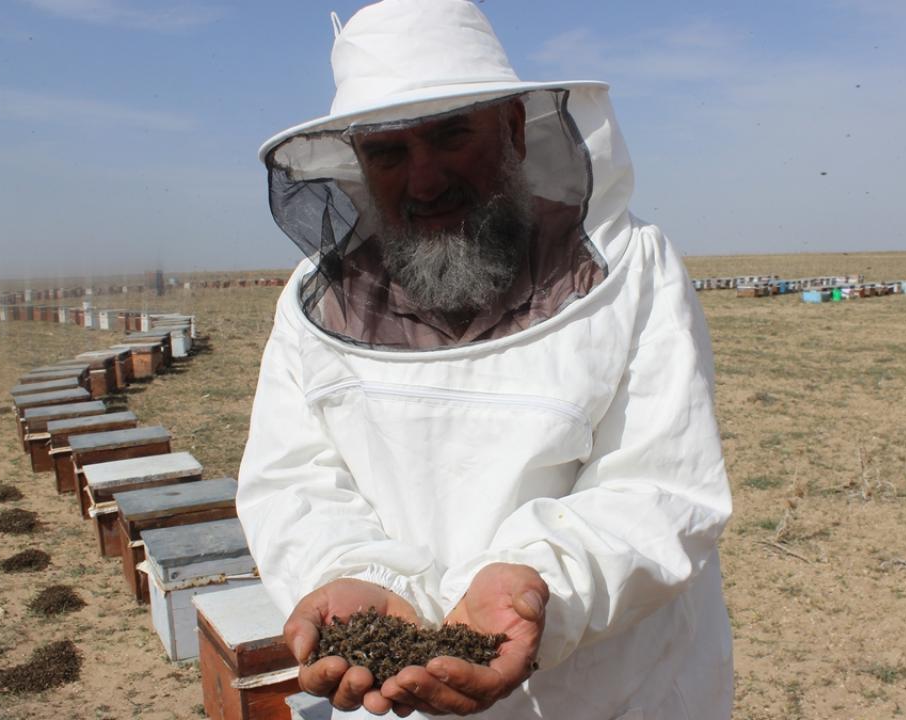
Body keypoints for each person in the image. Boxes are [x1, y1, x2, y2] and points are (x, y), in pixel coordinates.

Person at [237, 1, 733, 717]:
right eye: (388, 153)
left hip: (612, 695)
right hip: (395, 696)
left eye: (450, 135)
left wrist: (540, 581)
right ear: (359, 164)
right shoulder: (316, 303)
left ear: (513, 130)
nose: (425, 180)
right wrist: (346, 570)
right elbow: (293, 480)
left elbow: (660, 485)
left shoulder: (634, 270)